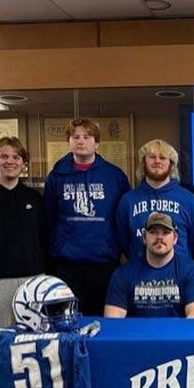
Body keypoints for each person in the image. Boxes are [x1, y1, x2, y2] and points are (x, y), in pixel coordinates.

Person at [43, 118, 129, 316]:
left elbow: (122, 219)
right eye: (75, 137)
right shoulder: (56, 176)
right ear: (69, 142)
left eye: (87, 137)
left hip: (103, 263)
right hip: (66, 264)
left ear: (97, 143)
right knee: (65, 320)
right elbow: (49, 217)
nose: (81, 141)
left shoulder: (114, 176)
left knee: (101, 320)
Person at [0, 137, 48, 327]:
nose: (10, 161)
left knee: (35, 338)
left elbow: (44, 237)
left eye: (16, 157)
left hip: (33, 279)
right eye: (4, 156)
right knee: (1, 338)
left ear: (24, 164)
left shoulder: (34, 197)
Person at [105, 212, 194, 318]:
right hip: (136, 334)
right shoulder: (122, 275)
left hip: (177, 334)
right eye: (153, 232)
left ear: (175, 238)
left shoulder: (192, 272)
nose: (159, 237)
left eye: (165, 232)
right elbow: (113, 322)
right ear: (144, 237)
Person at [117, 139, 194, 262]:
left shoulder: (189, 201)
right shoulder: (128, 201)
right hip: (140, 274)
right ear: (143, 162)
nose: (157, 161)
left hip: (179, 275)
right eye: (152, 157)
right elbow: (123, 241)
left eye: (162, 157)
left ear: (171, 164)